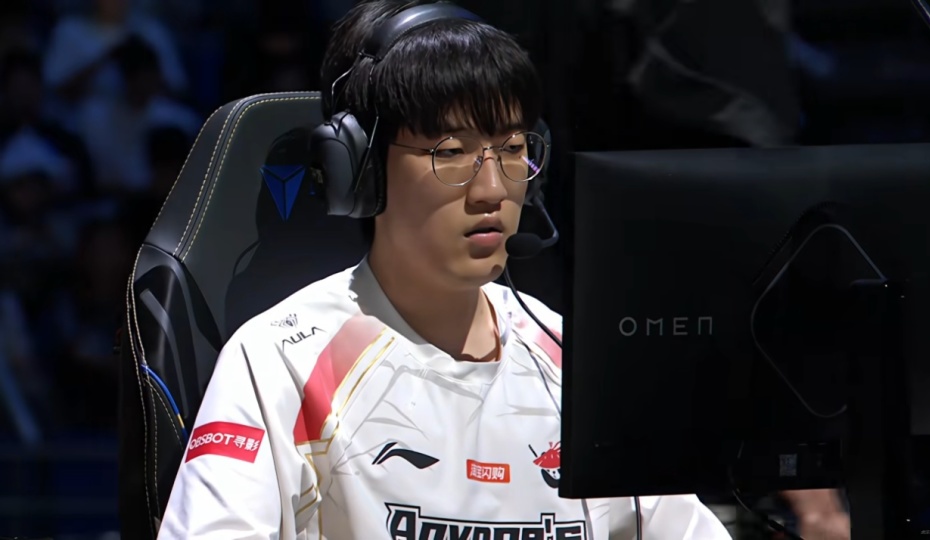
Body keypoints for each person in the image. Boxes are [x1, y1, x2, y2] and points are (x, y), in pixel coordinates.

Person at [157, 1, 731, 538]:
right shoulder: (281, 360)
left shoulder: (578, 368)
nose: (492, 190)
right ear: (359, 169)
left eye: (513, 149)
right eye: (451, 152)